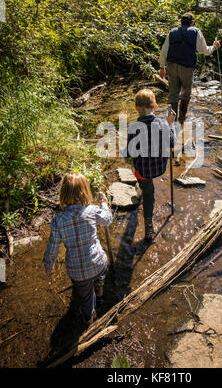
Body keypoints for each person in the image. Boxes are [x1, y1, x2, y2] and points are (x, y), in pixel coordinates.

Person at [43, 172, 113, 326]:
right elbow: (108, 220)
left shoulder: (58, 220)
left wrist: (49, 265)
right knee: (101, 261)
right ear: (85, 191)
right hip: (97, 263)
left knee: (86, 297)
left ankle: (89, 318)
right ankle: (99, 290)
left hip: (77, 272)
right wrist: (104, 203)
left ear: (64, 193)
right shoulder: (93, 210)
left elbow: (52, 248)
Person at [124, 89, 175, 241]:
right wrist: (170, 124)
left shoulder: (134, 128)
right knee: (148, 189)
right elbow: (172, 142)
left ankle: (148, 224)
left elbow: (129, 153)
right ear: (155, 107)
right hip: (159, 168)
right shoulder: (163, 124)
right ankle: (149, 226)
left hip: (143, 172)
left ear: (136, 108)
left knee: (148, 192)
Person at [158, 12, 221, 123]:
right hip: (187, 67)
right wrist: (214, 47)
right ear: (192, 22)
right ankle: (182, 120)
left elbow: (164, 51)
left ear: (180, 22)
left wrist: (162, 67)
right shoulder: (196, 31)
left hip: (172, 66)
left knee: (172, 95)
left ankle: (170, 121)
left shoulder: (172, 32)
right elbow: (205, 51)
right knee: (186, 94)